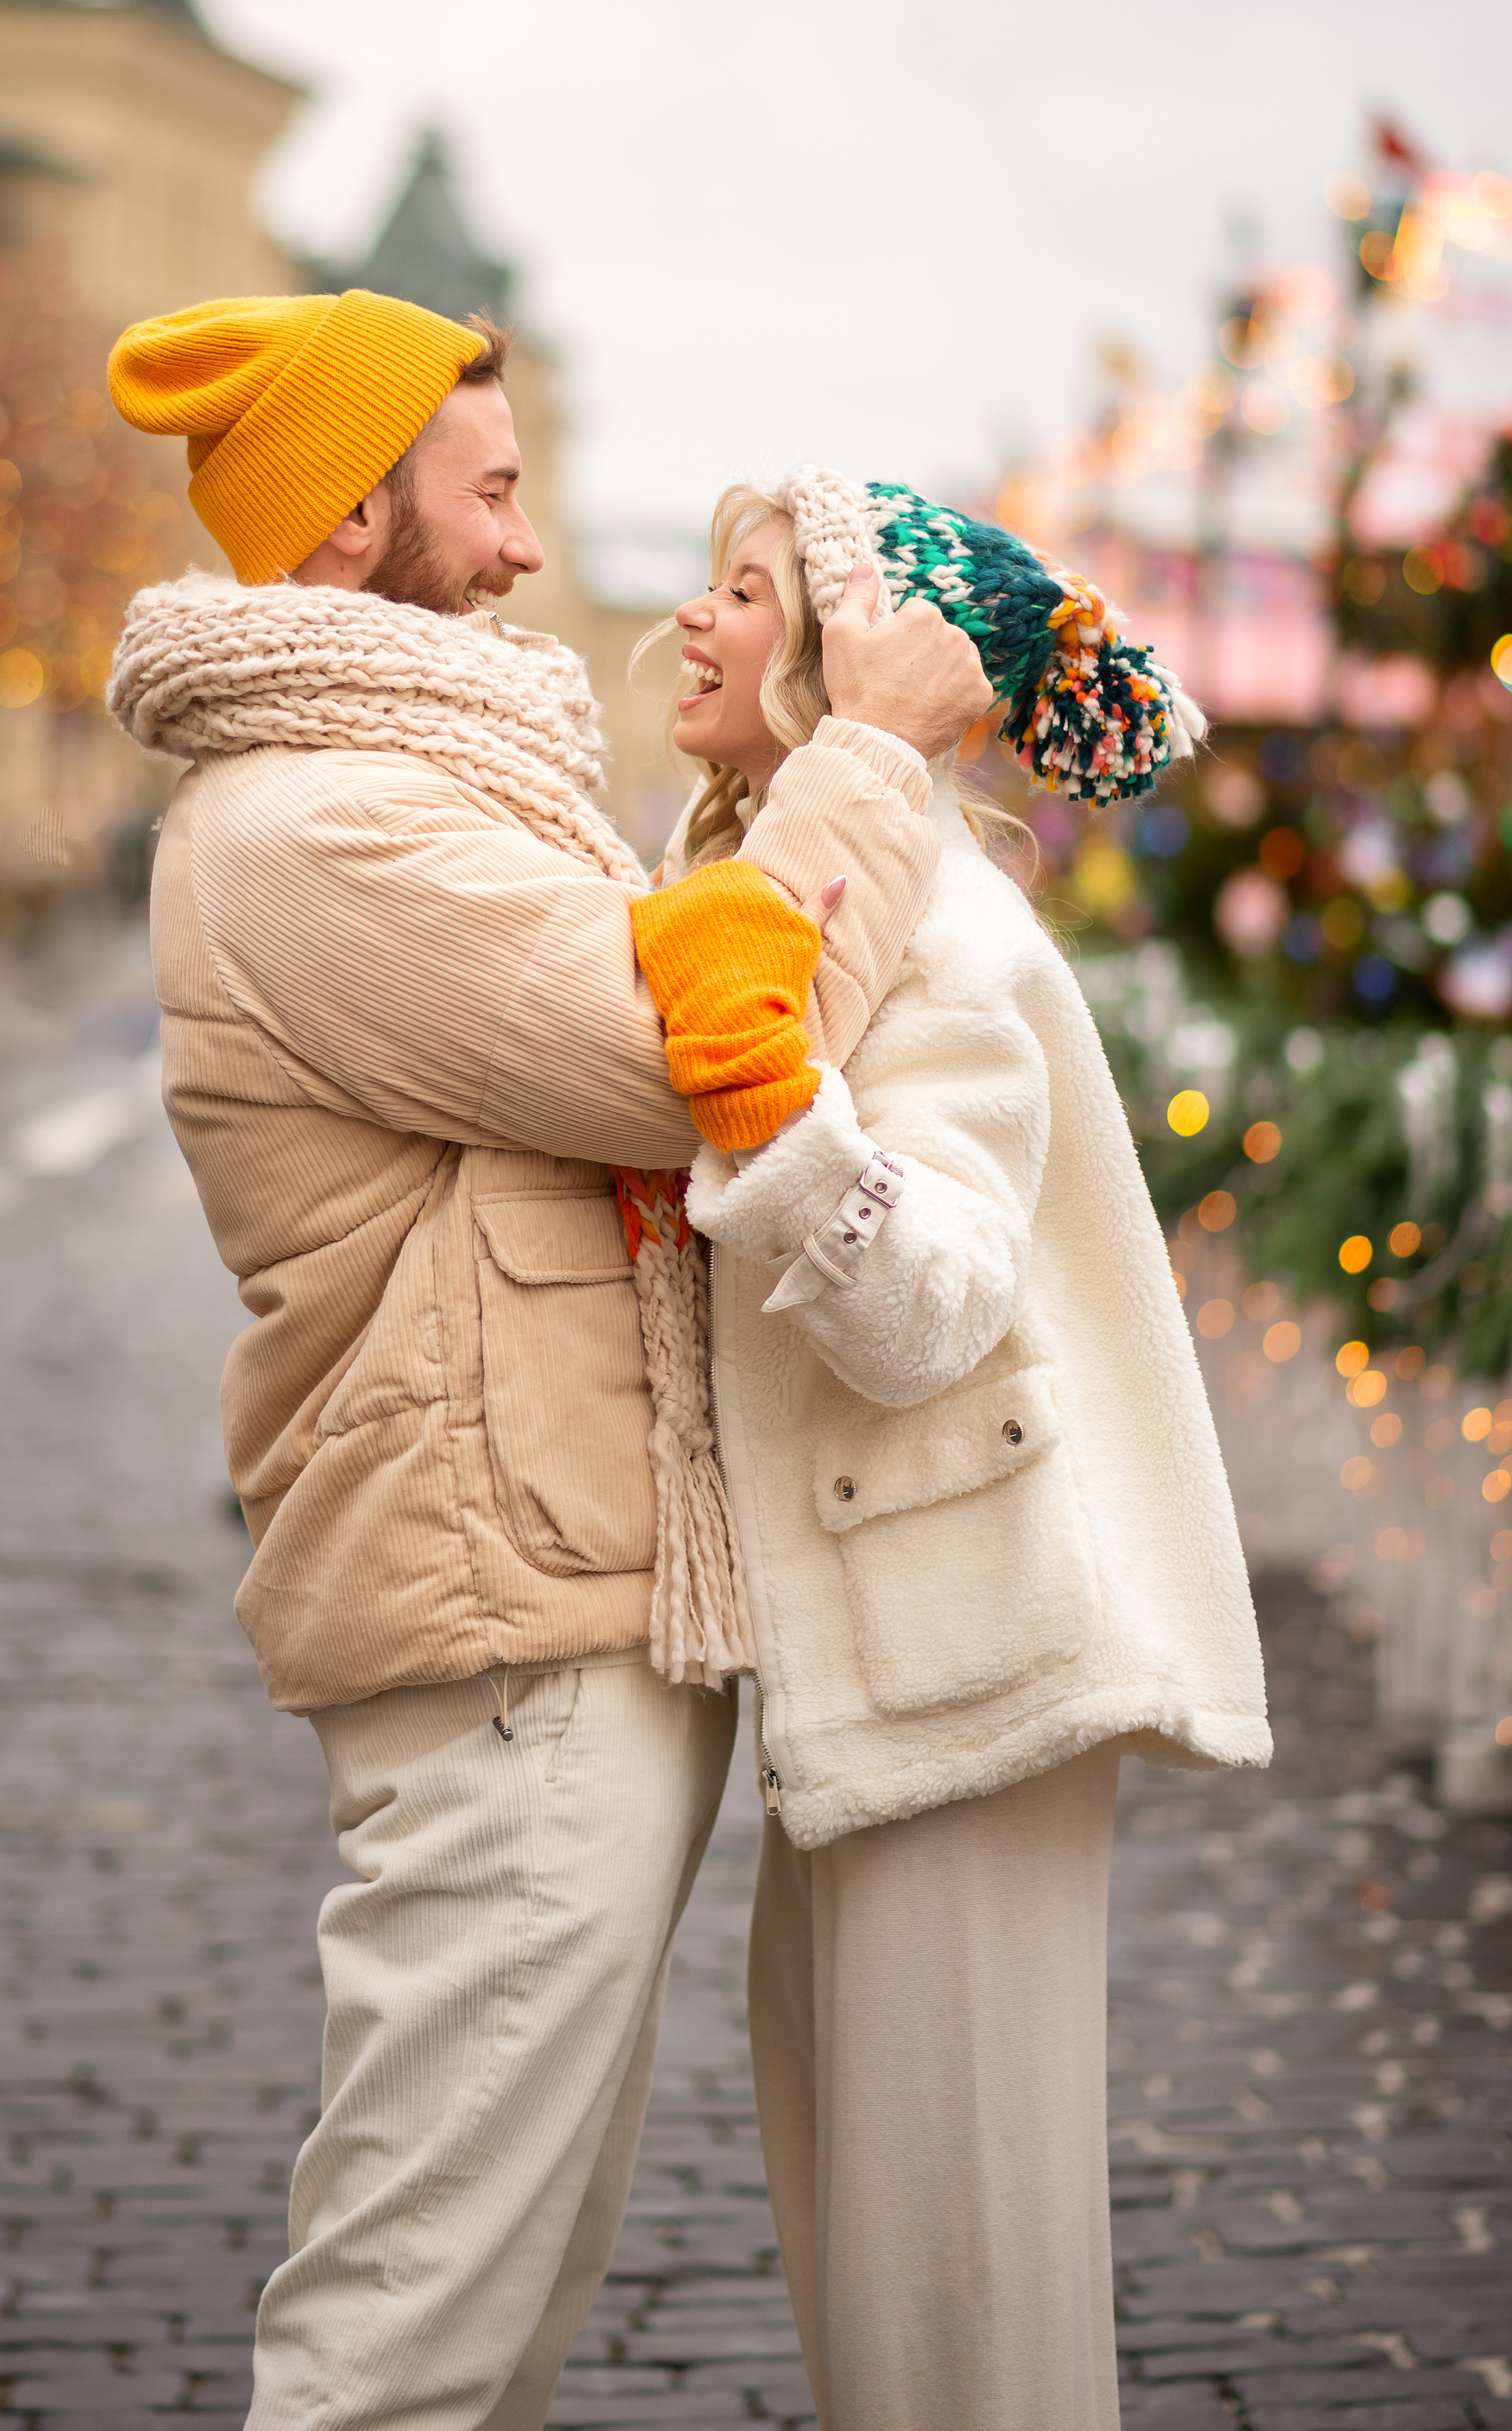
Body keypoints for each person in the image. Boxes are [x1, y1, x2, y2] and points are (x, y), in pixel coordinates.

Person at [102, 291, 993, 2430]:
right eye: (489, 495)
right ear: (344, 527)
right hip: (506, 1616)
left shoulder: (414, 776)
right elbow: (701, 1065)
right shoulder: (321, 823)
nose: (522, 547)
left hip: (563, 1587)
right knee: (410, 2330)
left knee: (492, 2305)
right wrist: (861, 762)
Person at [626, 467, 1273, 2431]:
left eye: (747, 591)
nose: (692, 619)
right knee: (874, 2278)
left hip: (972, 1667)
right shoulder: (782, 881)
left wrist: (779, 1117)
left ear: (845, 664)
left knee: (966, 2311)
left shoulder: (949, 939)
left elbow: (933, 1302)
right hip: (884, 1667)